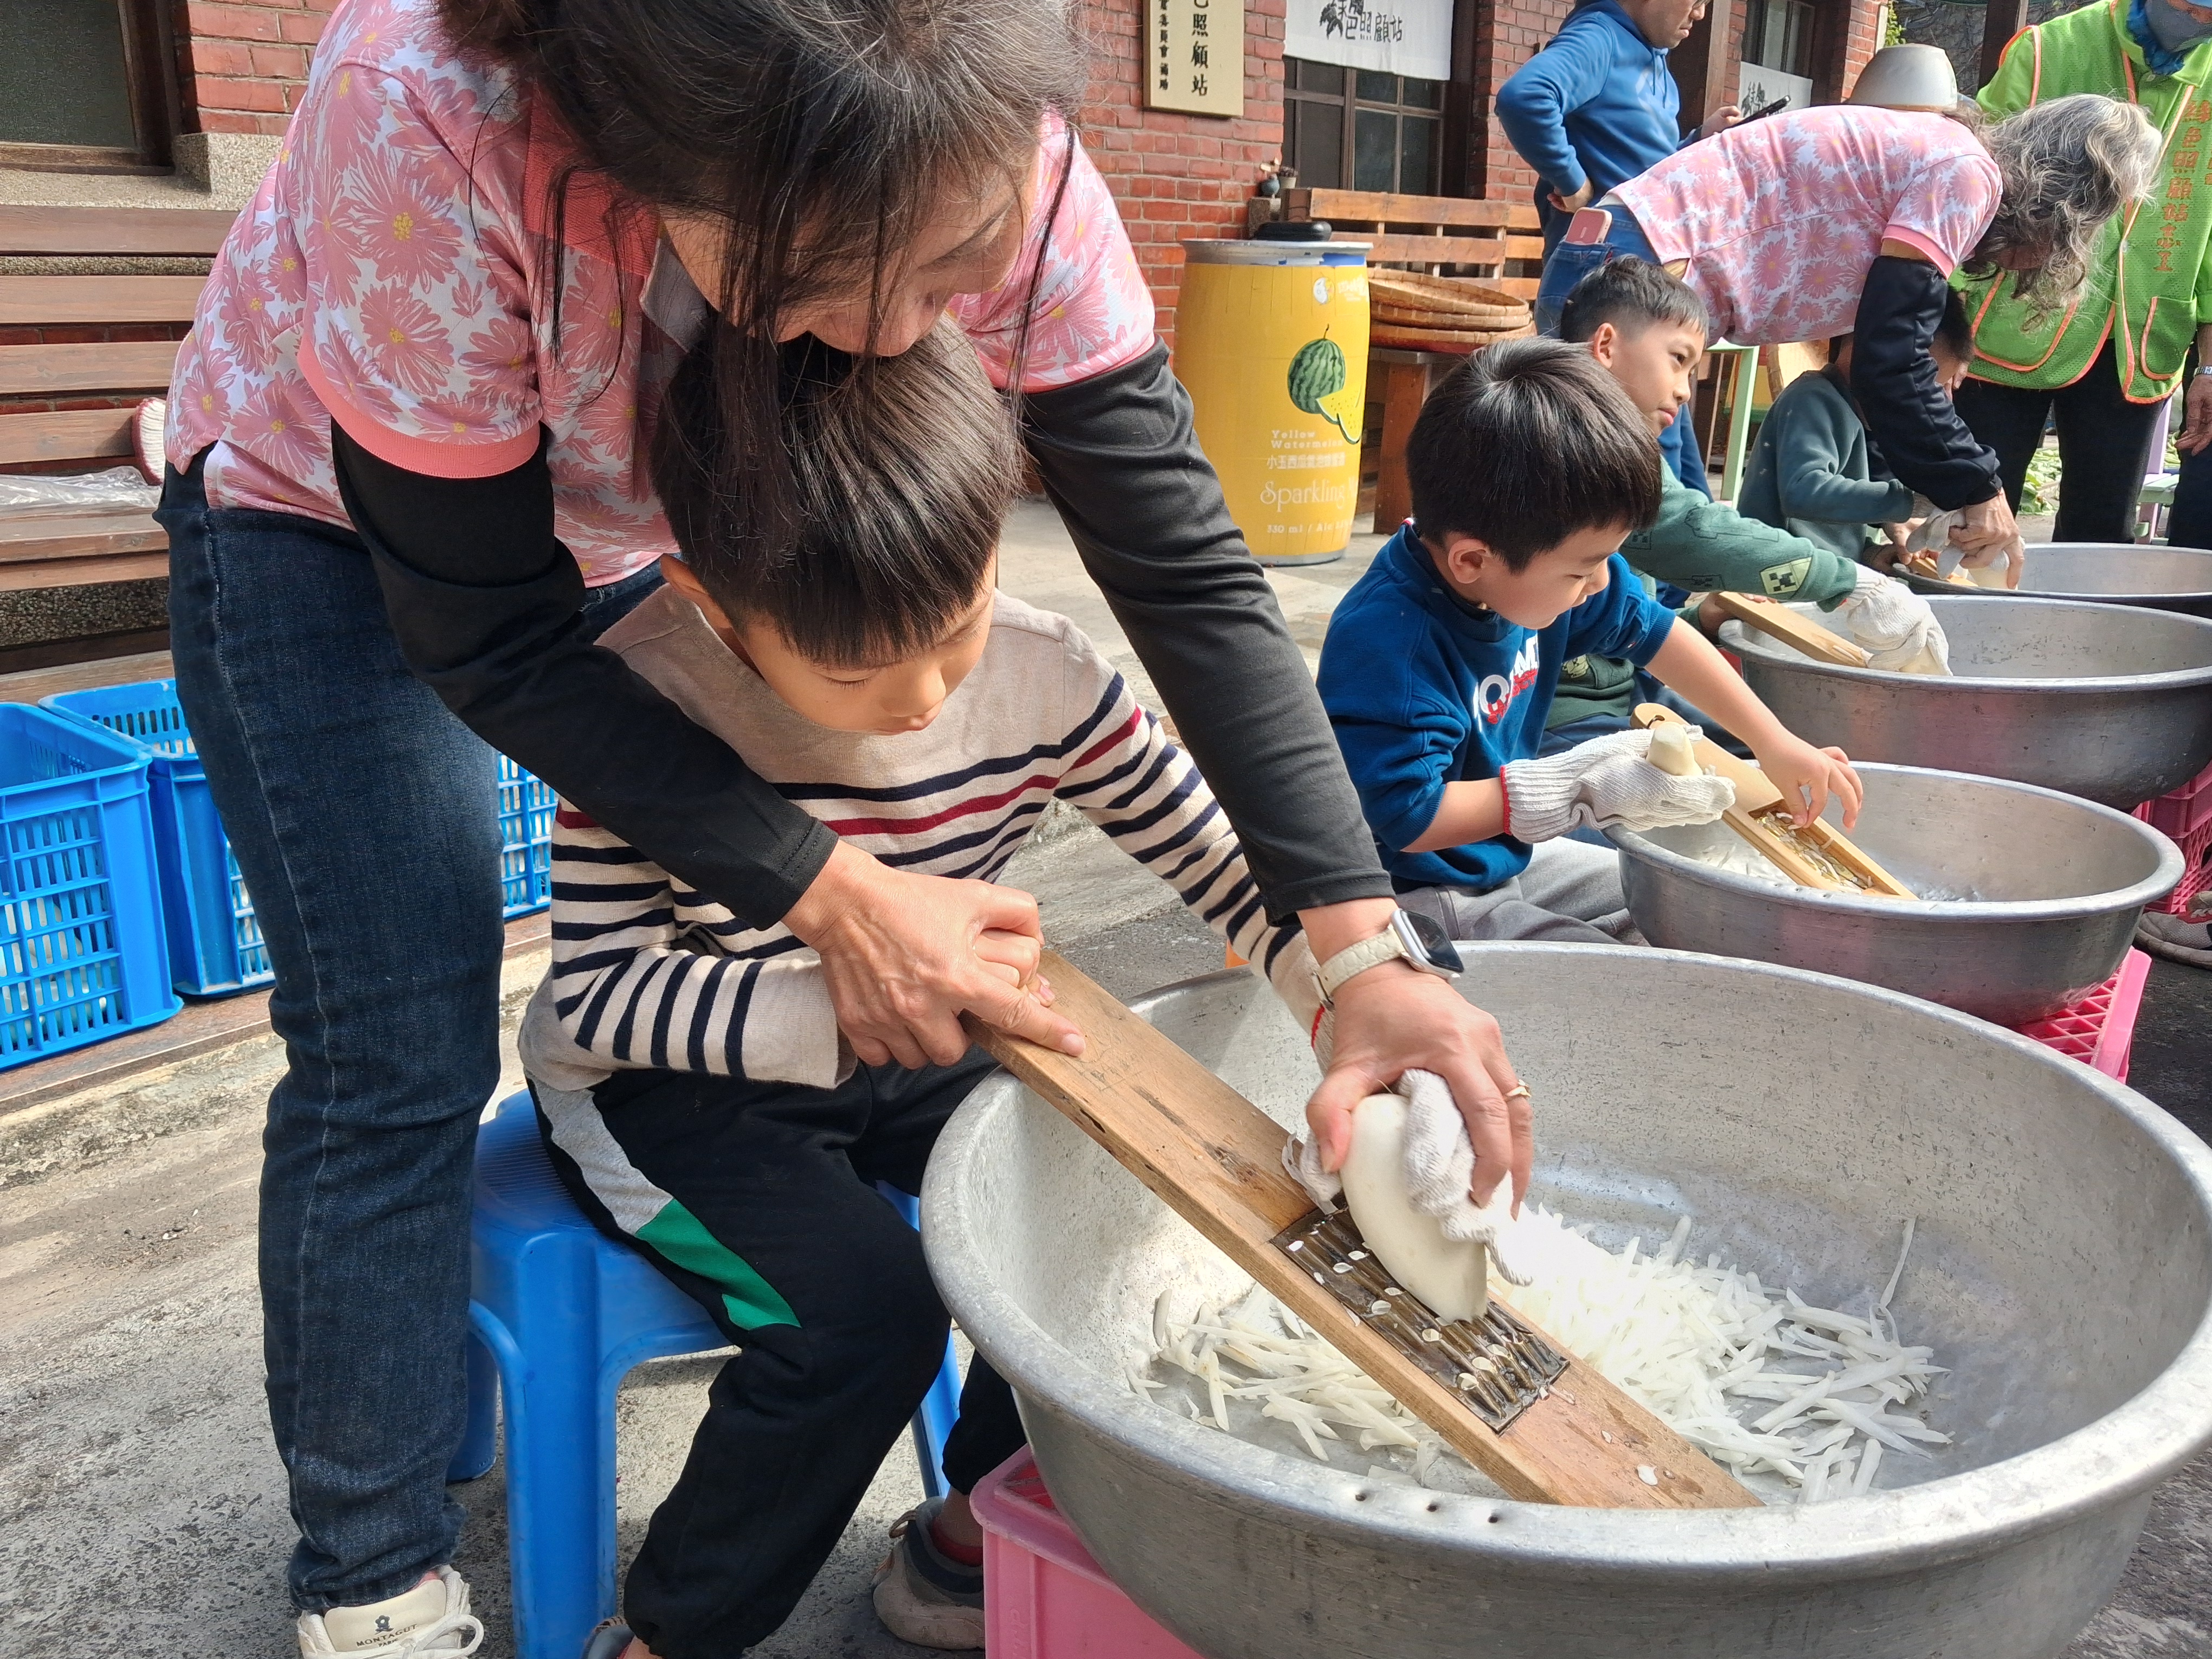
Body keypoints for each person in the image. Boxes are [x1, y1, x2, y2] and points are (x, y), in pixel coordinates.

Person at [160, 1, 1528, 1651]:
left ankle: (979, 1527)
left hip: (712, 555)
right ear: (634, 153)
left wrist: (1353, 948)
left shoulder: (986, 139)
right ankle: (371, 1566)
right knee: (396, 1050)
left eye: (949, 269)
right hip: (332, 525)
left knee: (1067, 1179)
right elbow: (491, 639)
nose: (891, 336)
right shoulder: (430, 112)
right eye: (814, 279)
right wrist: (829, 895)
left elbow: (1178, 567)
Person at [524, 321, 1323, 1657]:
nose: (919, 701)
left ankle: (967, 1537)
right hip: (678, 1084)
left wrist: (1340, 990)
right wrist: (830, 1009)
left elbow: (1218, 857)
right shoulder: (636, 699)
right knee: (865, 1318)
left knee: (1096, 1210)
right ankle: (670, 1630)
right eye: (852, 675)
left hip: (910, 1040)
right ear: (713, 606)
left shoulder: (1047, 670)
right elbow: (596, 998)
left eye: (951, 633)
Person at [1315, 338, 1863, 946]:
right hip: (1413, 893)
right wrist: (1575, 788)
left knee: (1685, 904)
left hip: (1505, 860)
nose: (1601, 583)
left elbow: (1658, 633)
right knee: (1625, 974)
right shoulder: (1392, 645)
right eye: (1582, 569)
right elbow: (1410, 818)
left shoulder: (1526, 568)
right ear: (1473, 559)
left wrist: (1776, 742)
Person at [1531, 96, 2165, 570]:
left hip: (1626, 256)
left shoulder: (1940, 159)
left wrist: (1930, 495)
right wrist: (1978, 488)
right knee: (1614, 523)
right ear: (2062, 204)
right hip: (1636, 271)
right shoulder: (1965, 176)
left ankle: (1628, 700)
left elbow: (1892, 355)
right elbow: (1893, 362)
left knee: (1642, 525)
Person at [1543, 258, 1950, 755]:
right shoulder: (1569, 438)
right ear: (1606, 346)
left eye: (1692, 370)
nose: (1684, 390)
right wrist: (1848, 582)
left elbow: (1629, 627)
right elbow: (1686, 529)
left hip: (1629, 691)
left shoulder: (1629, 447)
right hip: (1564, 712)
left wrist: (1707, 618)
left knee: (1771, 752)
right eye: (1678, 359)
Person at [1958, 0, 2212, 543]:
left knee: (2103, 530)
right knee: (1971, 510)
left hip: (2140, 336)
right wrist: (1944, 319)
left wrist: (2210, 367)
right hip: (2012, 320)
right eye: (2190, 7)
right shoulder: (2048, 49)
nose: (2201, 22)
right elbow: (1971, 183)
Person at [1498, 0, 1737, 492]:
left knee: (1670, 448)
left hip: (1644, 273)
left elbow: (1646, 171)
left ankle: (1681, 571)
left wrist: (1696, 140)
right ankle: (1624, 569)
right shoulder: (1600, 37)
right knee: (1623, 456)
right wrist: (1573, 182)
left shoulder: (1656, 64)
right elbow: (1525, 97)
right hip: (1601, 273)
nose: (1700, 13)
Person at [1739, 293, 1976, 567]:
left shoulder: (1854, 410)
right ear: (1871, 353)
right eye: (1927, 386)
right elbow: (1804, 493)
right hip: (1772, 578)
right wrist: (1911, 501)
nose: (1936, 402)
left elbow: (1825, 529)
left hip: (1816, 574)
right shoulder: (1813, 399)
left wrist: (1869, 553)